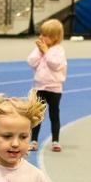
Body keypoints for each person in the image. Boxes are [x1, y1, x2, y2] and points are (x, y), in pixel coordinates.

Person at [27, 19, 67, 150]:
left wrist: (46, 51)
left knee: (54, 114)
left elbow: (55, 65)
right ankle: (33, 140)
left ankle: (55, 141)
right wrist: (40, 51)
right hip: (39, 87)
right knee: (37, 115)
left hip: (54, 89)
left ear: (54, 38)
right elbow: (31, 62)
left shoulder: (58, 50)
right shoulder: (39, 49)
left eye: (44, 35)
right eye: (41, 34)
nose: (40, 37)